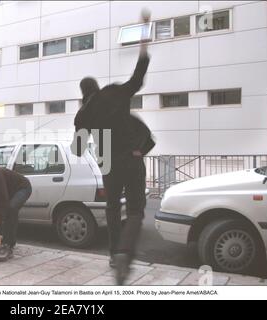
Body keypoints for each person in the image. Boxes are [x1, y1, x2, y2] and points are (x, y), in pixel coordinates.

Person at [71, 10, 155, 285]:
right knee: (134, 211)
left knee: (111, 208)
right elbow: (138, 76)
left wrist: (82, 116)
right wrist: (144, 35)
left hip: (107, 160)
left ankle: (112, 255)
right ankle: (123, 255)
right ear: (97, 86)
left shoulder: (83, 113)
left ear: (82, 93)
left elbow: (78, 149)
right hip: (131, 156)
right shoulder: (114, 92)